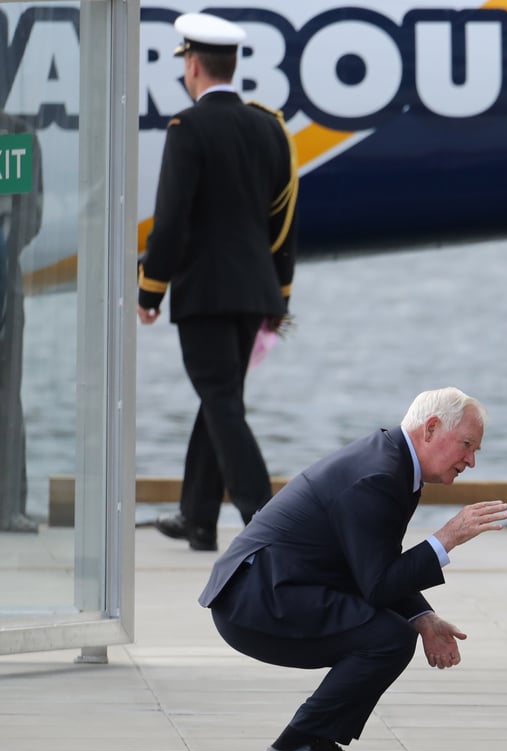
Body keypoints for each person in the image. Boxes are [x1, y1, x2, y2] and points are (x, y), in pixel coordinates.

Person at [198, 387, 507, 751]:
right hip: (255, 599)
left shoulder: (393, 461)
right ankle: (293, 746)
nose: (471, 460)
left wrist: (423, 615)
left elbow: (373, 560)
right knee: (387, 637)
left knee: (392, 633)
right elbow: (378, 584)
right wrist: (445, 538)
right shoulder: (381, 474)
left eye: (476, 450)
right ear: (430, 428)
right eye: (467, 445)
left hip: (271, 587)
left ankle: (317, 743)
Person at [137, 12, 299, 552]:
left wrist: (151, 287)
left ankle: (269, 522)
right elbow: (284, 220)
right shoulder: (269, 126)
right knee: (221, 399)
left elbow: (172, 220)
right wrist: (281, 292)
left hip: (204, 295)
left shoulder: (187, 129)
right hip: (254, 293)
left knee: (223, 404)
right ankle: (198, 518)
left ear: (192, 65)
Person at [0, 113, 43, 533]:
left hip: (3, 288)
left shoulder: (15, 136)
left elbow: (30, 218)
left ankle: (8, 506)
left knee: (6, 396)